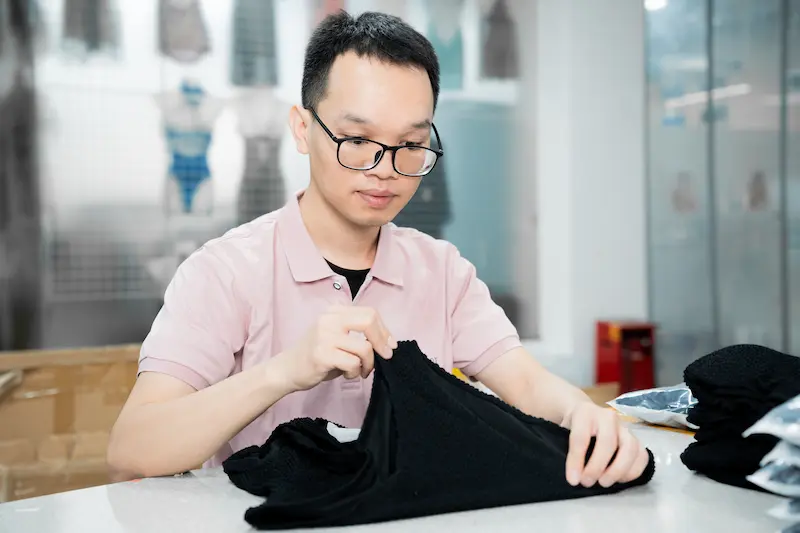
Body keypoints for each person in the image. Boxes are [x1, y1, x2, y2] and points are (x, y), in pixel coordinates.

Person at [107, 10, 648, 491]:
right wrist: (284, 371)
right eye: (357, 140)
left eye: (411, 145)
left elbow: (524, 381)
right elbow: (134, 445)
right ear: (302, 129)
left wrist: (583, 413)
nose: (384, 169)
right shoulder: (224, 272)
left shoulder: (442, 272)